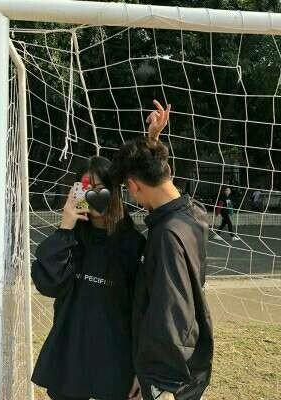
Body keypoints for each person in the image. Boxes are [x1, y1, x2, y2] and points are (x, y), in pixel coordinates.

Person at [111, 100, 214, 400]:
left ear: (133, 185)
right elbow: (158, 176)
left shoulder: (167, 236)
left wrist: (158, 384)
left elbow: (171, 316)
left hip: (170, 379)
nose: (132, 197)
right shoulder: (194, 212)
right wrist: (152, 141)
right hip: (188, 367)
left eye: (129, 189)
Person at [31, 156, 145, 400]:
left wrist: (141, 368)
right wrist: (65, 227)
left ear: (114, 191)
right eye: (85, 188)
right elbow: (49, 285)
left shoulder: (133, 244)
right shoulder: (70, 239)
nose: (92, 195)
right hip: (72, 352)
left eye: (99, 188)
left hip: (116, 358)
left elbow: (144, 310)